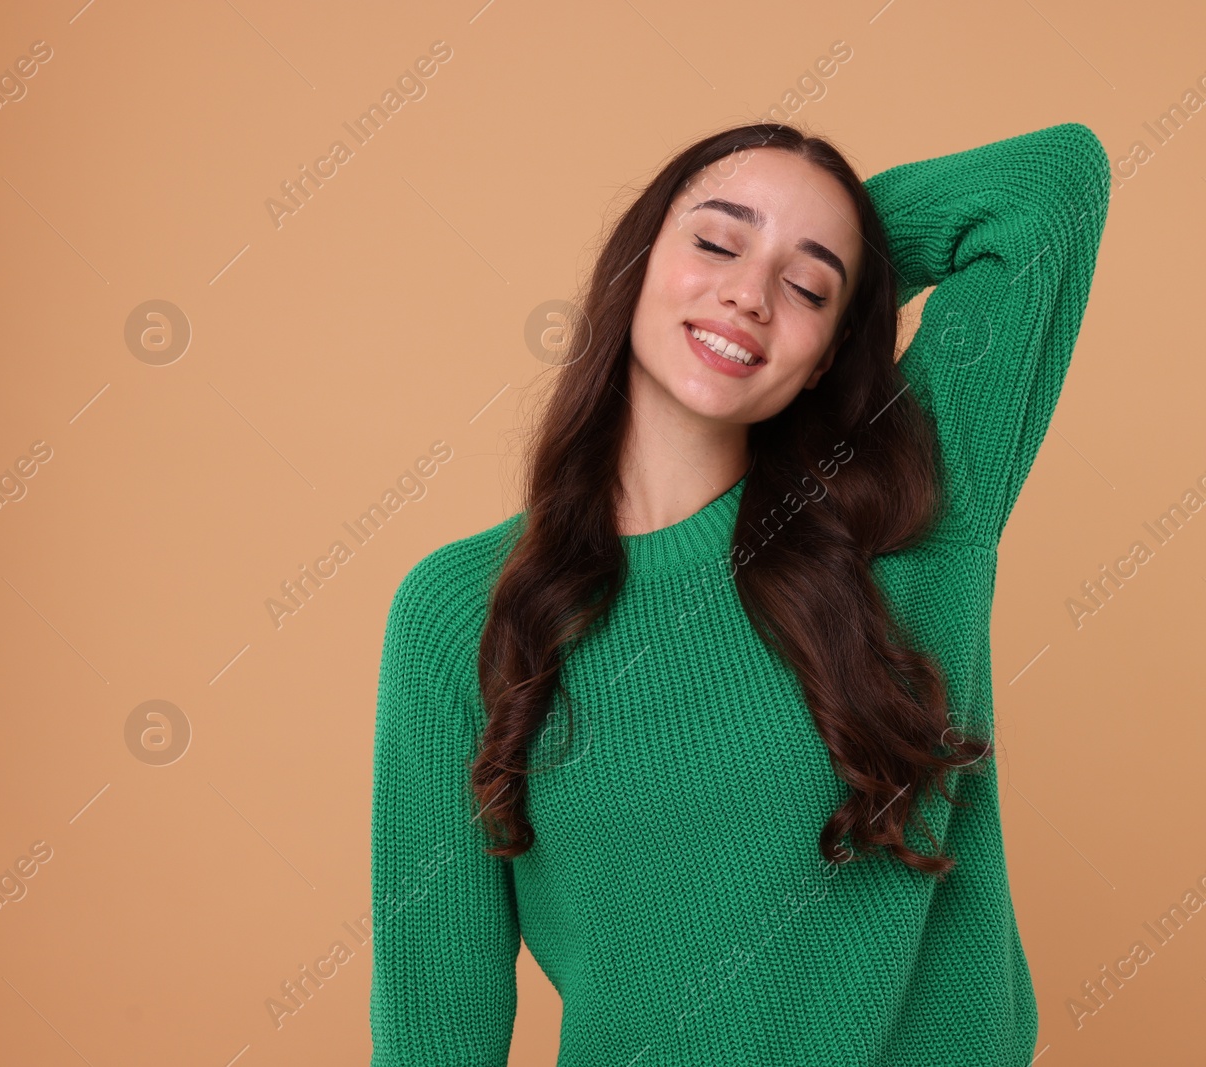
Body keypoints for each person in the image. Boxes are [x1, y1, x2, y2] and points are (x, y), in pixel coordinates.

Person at [371, 119, 1111, 1065]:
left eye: (806, 286)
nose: (748, 294)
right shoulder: (461, 610)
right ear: (633, 260)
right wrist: (807, 251)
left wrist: (848, 245)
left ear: (836, 346)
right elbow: (438, 1022)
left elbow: (1049, 185)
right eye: (714, 242)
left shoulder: (909, 511)